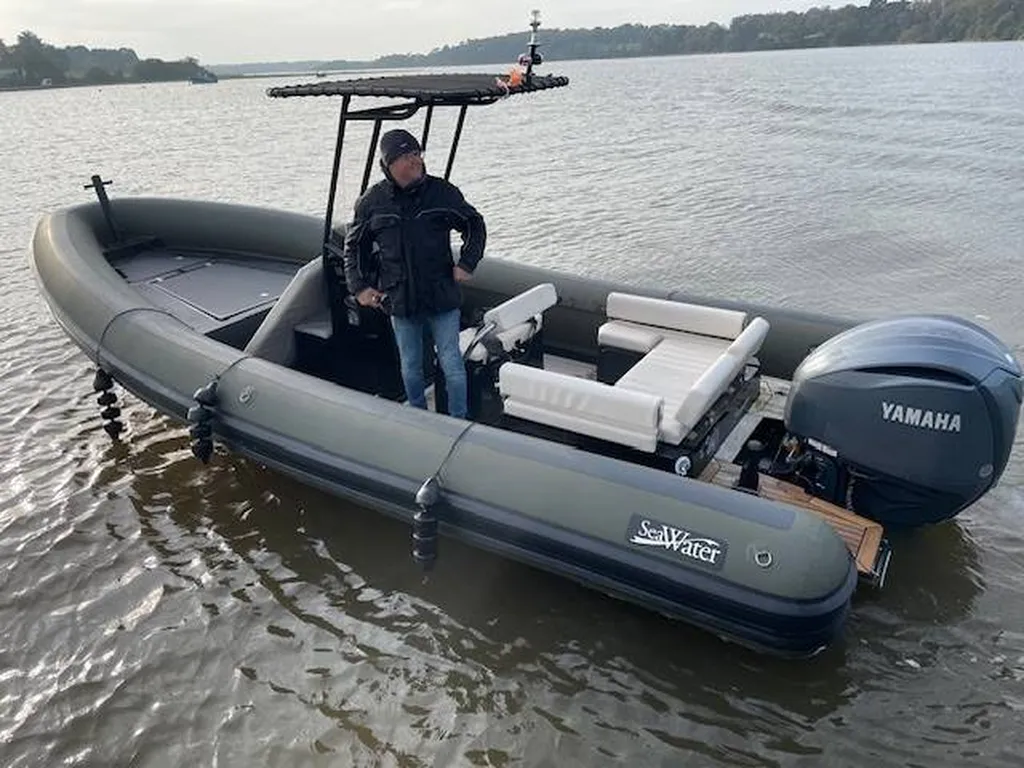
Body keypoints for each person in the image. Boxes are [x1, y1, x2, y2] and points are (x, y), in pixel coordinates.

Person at [341, 128, 487, 419]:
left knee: (451, 364)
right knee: (410, 365)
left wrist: (467, 264)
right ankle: (418, 419)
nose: (415, 161)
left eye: (417, 154)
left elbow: (474, 224)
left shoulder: (443, 193)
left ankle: (459, 422)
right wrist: (359, 288)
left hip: (441, 294)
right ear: (389, 164)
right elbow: (354, 246)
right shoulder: (371, 202)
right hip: (400, 299)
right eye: (406, 156)